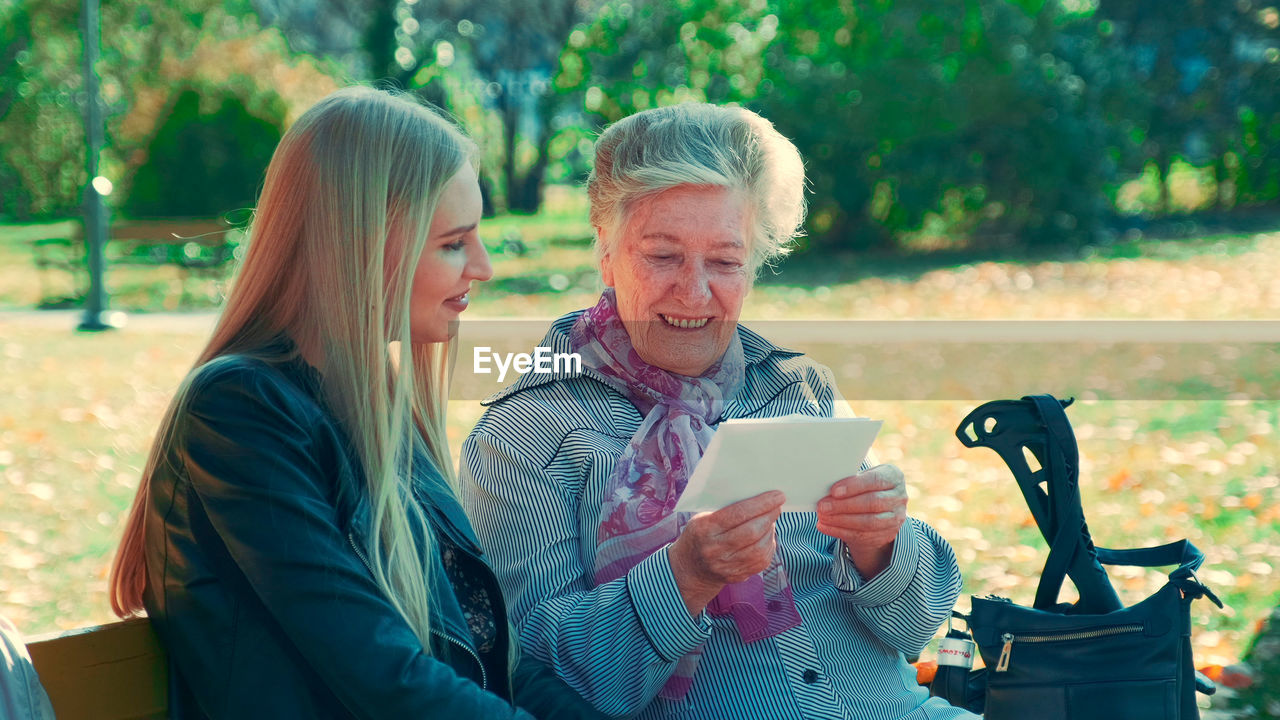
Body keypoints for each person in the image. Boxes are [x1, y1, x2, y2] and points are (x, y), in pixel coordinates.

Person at [459, 103, 978, 720]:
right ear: (606, 252)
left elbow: (915, 632)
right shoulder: (527, 434)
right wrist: (685, 576)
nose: (695, 292)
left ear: (756, 264)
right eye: (662, 256)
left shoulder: (795, 389)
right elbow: (529, 676)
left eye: (726, 262)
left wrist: (882, 546)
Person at [107, 86, 602, 720]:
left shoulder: (379, 403)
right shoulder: (240, 411)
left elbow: (487, 656)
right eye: (454, 242)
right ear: (361, 245)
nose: (482, 267)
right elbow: (381, 676)